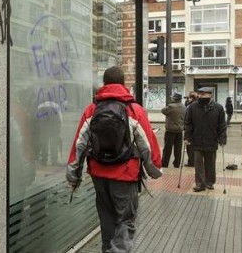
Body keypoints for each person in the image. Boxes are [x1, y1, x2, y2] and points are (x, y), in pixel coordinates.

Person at [66, 66, 162, 252]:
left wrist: (73, 175)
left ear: (104, 83)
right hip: (125, 176)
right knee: (125, 221)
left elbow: (79, 145)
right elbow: (148, 146)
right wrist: (155, 170)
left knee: (107, 221)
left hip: (99, 176)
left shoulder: (92, 109)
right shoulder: (134, 110)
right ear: (123, 84)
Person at [184, 87, 227, 192]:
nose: (202, 96)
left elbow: (222, 125)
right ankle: (200, 184)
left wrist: (222, 137)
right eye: (200, 94)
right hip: (196, 140)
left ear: (210, 95)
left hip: (211, 140)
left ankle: (209, 182)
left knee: (210, 163)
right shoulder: (192, 107)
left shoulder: (218, 108)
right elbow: (188, 123)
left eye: (205, 94)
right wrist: (187, 136)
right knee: (198, 163)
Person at [161, 93, 185, 168]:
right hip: (179, 130)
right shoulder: (183, 106)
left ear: (174, 99)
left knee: (168, 148)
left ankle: (165, 163)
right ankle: (177, 163)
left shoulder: (171, 106)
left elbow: (163, 111)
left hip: (170, 130)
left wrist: (171, 104)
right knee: (178, 148)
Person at [184, 91, 198, 167]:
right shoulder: (198, 105)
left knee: (190, 147)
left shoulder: (190, 106)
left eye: (188, 97)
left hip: (190, 129)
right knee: (194, 147)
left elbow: (187, 117)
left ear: (191, 98)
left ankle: (191, 162)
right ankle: (194, 161)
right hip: (197, 129)